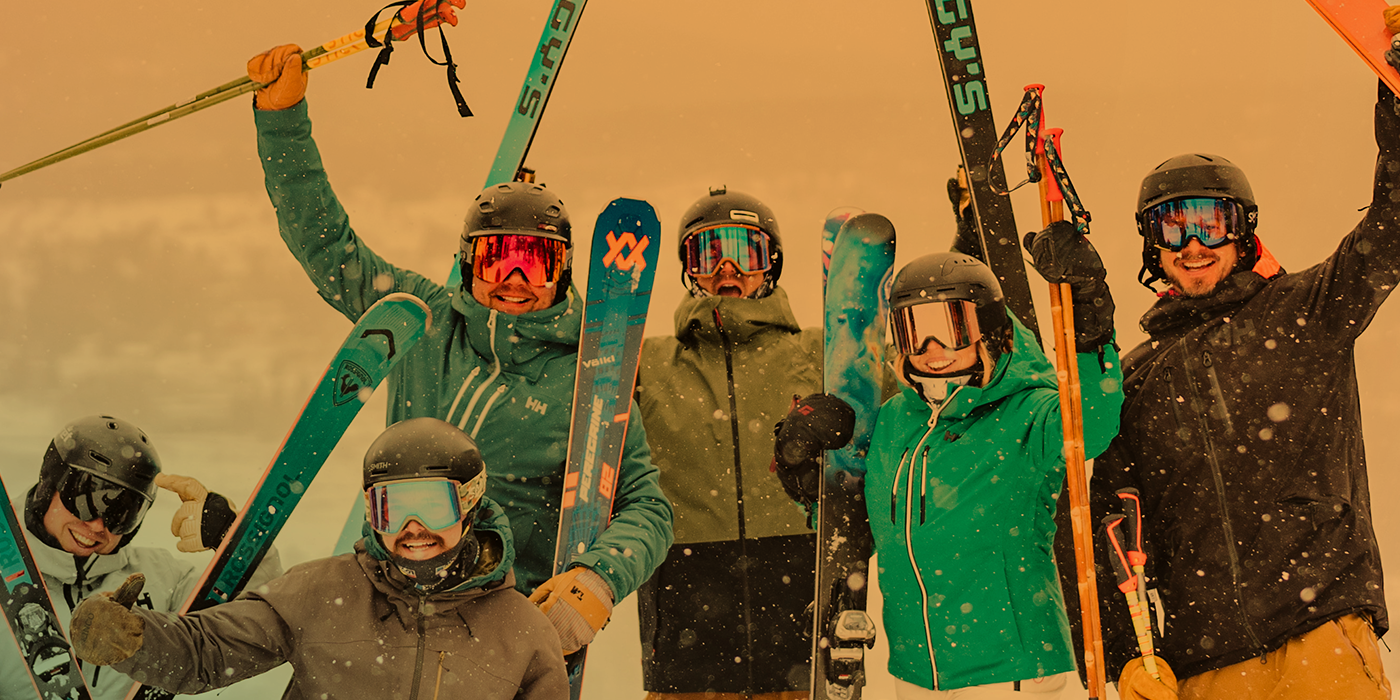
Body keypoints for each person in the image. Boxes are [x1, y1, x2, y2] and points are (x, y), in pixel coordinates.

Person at [244, 44, 673, 655]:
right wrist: (281, 116)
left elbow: (647, 505)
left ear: (564, 271)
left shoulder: (590, 373)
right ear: (469, 263)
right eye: (498, 256)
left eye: (537, 260)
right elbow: (325, 243)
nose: (516, 277)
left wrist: (597, 582)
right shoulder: (425, 322)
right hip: (391, 599)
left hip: (503, 620)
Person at [1084, 81, 1400, 700]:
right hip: (1207, 663)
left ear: (1243, 229)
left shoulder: (1305, 313)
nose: (1193, 245)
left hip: (1321, 637)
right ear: (1151, 245)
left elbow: (1389, 231)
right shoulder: (1137, 377)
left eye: (1211, 222)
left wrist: (1395, 105)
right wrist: (1124, 656)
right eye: (1171, 228)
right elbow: (1103, 525)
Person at [774, 240, 1122, 698]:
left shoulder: (1028, 412)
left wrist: (1090, 328)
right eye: (915, 330)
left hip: (1012, 676)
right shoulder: (897, 420)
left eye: (952, 327)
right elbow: (871, 526)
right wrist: (802, 471)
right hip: (916, 676)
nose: (932, 348)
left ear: (990, 328)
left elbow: (1091, 424)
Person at [67, 417, 568, 699]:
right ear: (372, 513)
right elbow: (208, 650)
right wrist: (134, 640)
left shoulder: (522, 633)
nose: (413, 530)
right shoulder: (322, 592)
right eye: (392, 508)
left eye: (432, 506)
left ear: (469, 502)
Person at [633, 187, 821, 698]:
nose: (727, 269)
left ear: (772, 264)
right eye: (707, 253)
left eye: (747, 251)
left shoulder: (820, 353)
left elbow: (942, 380)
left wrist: (973, 240)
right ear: (688, 269)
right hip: (684, 615)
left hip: (800, 606)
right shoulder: (647, 364)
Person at [0, 414, 282, 700]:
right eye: (86, 499)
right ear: (49, 486)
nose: (98, 525)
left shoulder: (162, 577)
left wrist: (235, 539)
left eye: (121, 513)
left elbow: (260, 629)